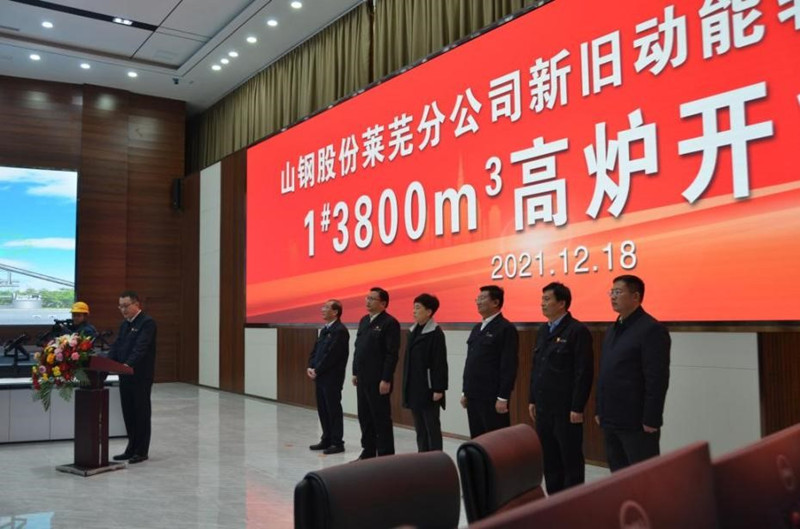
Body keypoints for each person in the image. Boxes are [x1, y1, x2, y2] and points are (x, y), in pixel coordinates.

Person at [595, 275, 670, 472]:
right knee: (618, 475)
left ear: (636, 296)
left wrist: (651, 418)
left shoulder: (651, 329)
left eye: (618, 292)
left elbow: (657, 378)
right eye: (611, 292)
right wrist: (599, 408)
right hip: (610, 417)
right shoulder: (612, 329)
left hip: (636, 422)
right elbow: (606, 373)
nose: (613, 297)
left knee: (643, 477)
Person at [528, 282, 594, 495]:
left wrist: (577, 406)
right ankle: (555, 500)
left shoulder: (577, 330)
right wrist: (532, 399)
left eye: (547, 299)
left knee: (570, 458)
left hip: (566, 409)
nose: (542, 303)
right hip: (543, 407)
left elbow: (583, 372)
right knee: (549, 458)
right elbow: (536, 367)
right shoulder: (543, 330)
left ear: (562, 303)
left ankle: (572, 503)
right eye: (542, 299)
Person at [461, 285, 518, 438]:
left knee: (496, 441)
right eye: (477, 299)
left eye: (482, 298)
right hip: (473, 395)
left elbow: (509, 365)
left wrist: (503, 397)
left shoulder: (505, 328)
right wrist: (465, 391)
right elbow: (470, 362)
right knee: (477, 439)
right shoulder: (477, 328)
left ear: (495, 302)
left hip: (492, 397)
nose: (478, 302)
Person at [108, 290, 157, 464]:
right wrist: (106, 363)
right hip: (125, 375)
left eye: (126, 306)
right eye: (120, 306)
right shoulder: (125, 324)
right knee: (128, 412)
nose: (123, 309)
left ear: (137, 304)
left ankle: (141, 451)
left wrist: (128, 364)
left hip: (140, 376)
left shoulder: (147, 323)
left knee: (140, 413)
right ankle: (131, 448)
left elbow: (141, 348)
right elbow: (116, 346)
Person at [352, 287, 400, 460]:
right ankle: (368, 451)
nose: (368, 301)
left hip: (378, 380)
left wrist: (386, 379)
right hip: (362, 377)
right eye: (367, 298)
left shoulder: (389, 323)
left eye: (372, 299)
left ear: (383, 303)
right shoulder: (364, 320)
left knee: (380, 418)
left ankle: (386, 456)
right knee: (364, 416)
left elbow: (391, 354)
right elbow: (358, 348)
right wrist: (355, 371)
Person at [402, 293, 448, 452]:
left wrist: (439, 389)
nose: (414, 311)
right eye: (413, 307)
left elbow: (440, 363)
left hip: (429, 389)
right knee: (420, 427)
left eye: (418, 308)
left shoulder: (435, 333)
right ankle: (422, 457)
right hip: (414, 387)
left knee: (431, 427)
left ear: (429, 312)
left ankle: (436, 459)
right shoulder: (413, 330)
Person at [307, 299, 350, 455]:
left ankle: (337, 442)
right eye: (323, 306)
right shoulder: (325, 329)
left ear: (335, 312)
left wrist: (317, 369)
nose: (322, 309)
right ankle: (326, 438)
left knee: (333, 409)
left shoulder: (340, 331)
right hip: (320, 376)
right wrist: (310, 366)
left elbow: (332, 355)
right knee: (323, 408)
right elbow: (316, 350)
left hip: (332, 377)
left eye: (326, 307)